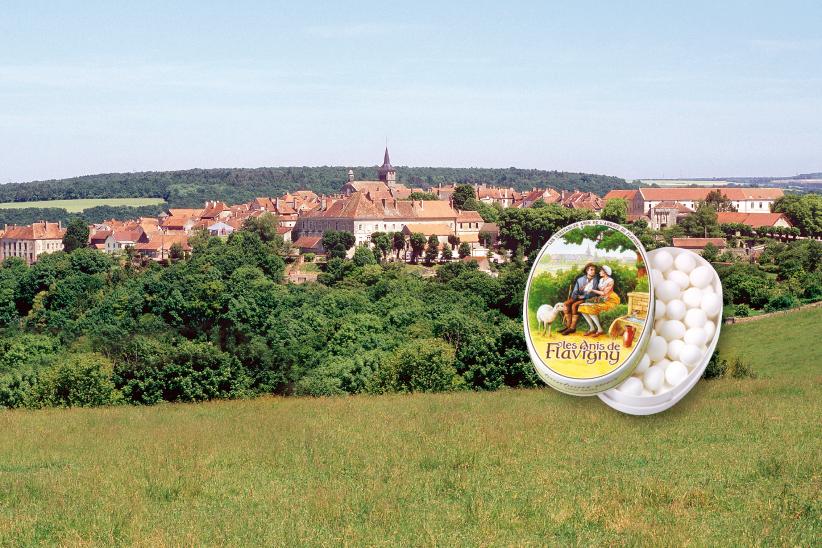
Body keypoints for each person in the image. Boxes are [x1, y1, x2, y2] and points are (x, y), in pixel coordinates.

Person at [578, 265, 621, 338]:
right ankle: (592, 328)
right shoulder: (601, 280)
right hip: (602, 299)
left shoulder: (610, 280)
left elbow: (605, 293)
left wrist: (592, 290)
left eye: (601, 271)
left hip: (611, 300)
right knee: (582, 307)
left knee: (591, 308)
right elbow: (600, 292)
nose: (599, 272)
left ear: (605, 272)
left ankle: (600, 329)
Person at [559, 263, 599, 336]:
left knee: (574, 305)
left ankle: (572, 328)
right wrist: (576, 296)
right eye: (591, 270)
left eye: (594, 270)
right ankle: (568, 326)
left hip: (588, 298)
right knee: (566, 304)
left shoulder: (596, 280)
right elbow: (575, 290)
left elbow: (594, 292)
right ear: (587, 271)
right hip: (577, 296)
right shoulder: (580, 279)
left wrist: (583, 296)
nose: (593, 271)